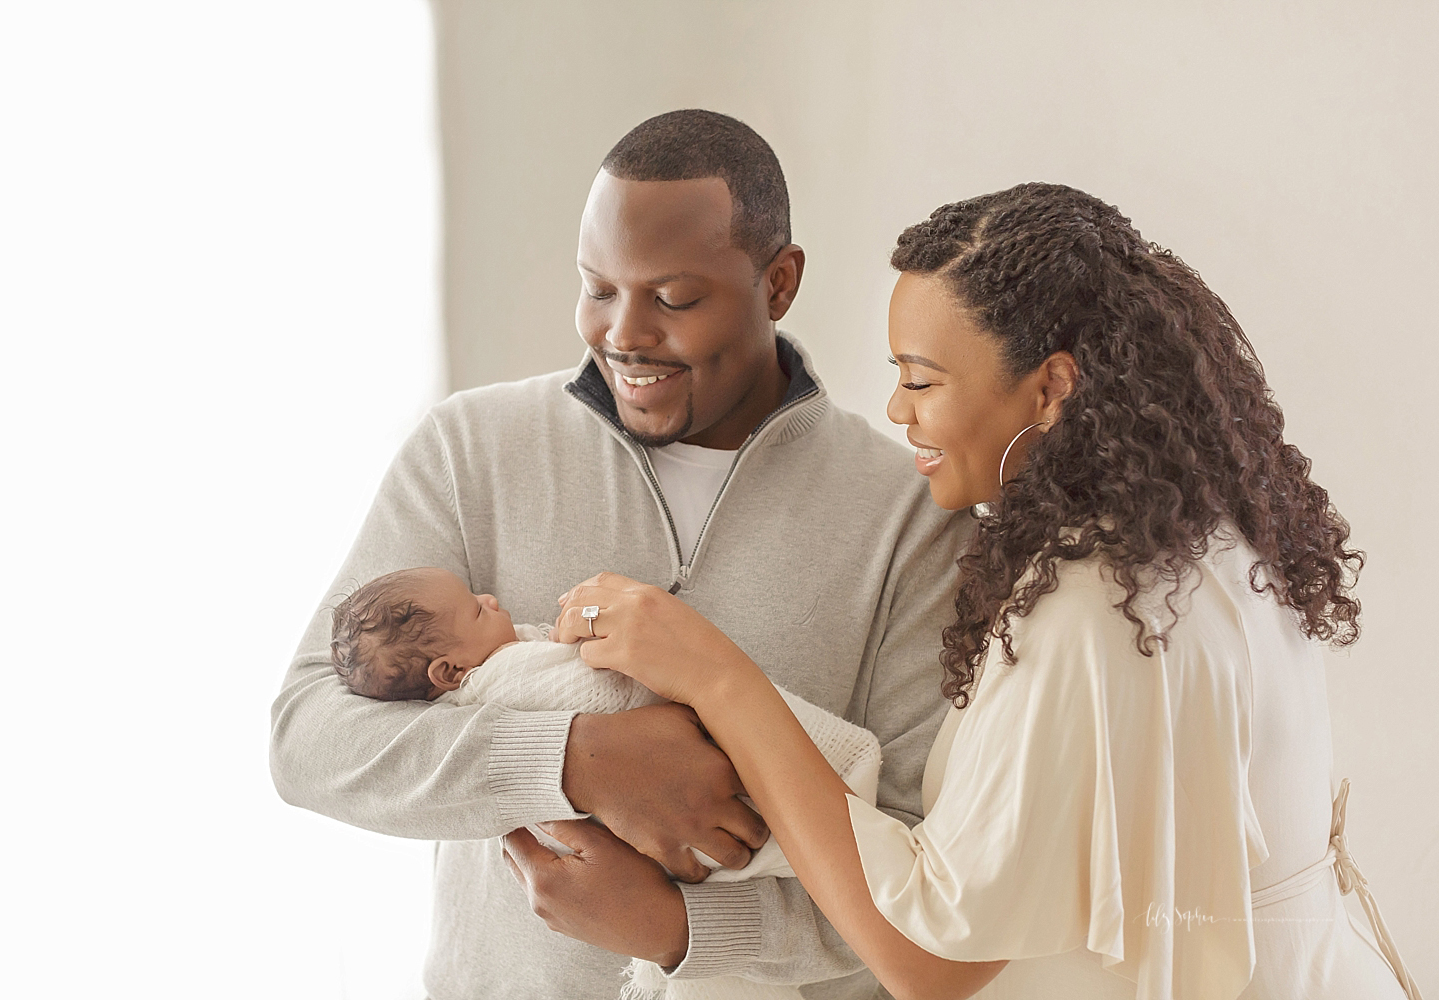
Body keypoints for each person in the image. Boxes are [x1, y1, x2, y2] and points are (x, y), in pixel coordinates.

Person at [527, 184, 1422, 1000]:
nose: (896, 410)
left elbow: (932, 958)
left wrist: (717, 677)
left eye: (921, 379)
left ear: (1052, 387)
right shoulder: (1201, 548)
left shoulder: (1094, 611)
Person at [269, 109, 970, 1000]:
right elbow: (310, 739)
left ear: (779, 282)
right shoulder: (469, 451)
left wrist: (683, 931)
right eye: (597, 289)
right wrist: (576, 760)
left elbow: (923, 874)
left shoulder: (910, 513)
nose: (623, 334)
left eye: (673, 299)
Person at [328, 565, 884, 1000]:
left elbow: (889, 919)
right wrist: (583, 755)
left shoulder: (491, 671)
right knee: (801, 832)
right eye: (477, 609)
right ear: (449, 674)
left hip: (845, 931)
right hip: (512, 964)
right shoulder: (505, 675)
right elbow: (600, 692)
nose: (493, 600)